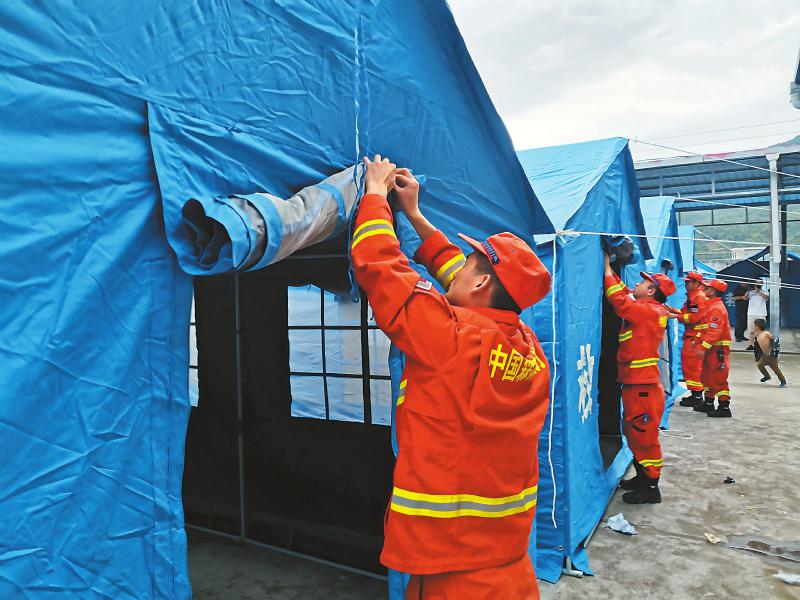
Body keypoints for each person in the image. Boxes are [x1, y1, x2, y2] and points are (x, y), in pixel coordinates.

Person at [351, 155, 551, 598]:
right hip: (506, 562)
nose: (455, 267)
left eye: (466, 264)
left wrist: (374, 194)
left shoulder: (451, 336)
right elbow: (471, 287)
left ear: (479, 285)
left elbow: (379, 264)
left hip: (452, 570)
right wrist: (416, 215)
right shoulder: (529, 349)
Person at [603, 253, 676, 504]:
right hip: (638, 383)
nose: (637, 284)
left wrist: (605, 270)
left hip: (642, 385)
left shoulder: (646, 311)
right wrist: (611, 273)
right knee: (633, 431)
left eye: (643, 283)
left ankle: (651, 487)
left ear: (651, 291)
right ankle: (643, 477)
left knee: (643, 435)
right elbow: (627, 295)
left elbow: (621, 302)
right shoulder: (651, 308)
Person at [668, 272, 709, 407]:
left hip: (696, 337)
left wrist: (675, 316)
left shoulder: (698, 297)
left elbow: (695, 317)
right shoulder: (692, 297)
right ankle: (694, 394)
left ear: (696, 284)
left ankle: (697, 395)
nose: (686, 284)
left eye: (688, 282)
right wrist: (673, 311)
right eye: (685, 282)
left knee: (694, 366)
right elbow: (685, 312)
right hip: (691, 336)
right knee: (688, 365)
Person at [694, 279, 733, 417]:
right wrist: (698, 341)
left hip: (717, 350)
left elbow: (714, 332)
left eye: (708, 287)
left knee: (718, 378)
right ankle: (709, 402)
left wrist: (702, 347)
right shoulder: (710, 306)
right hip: (711, 349)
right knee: (707, 376)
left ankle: (724, 407)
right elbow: (704, 328)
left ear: (714, 291)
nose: (704, 288)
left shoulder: (716, 308)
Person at [753, 318, 787, 387]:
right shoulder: (758, 335)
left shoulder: (766, 333)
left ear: (757, 326)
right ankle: (767, 376)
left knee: (775, 369)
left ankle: (783, 381)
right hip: (764, 356)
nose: (754, 327)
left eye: (755, 326)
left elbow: (775, 340)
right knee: (760, 365)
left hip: (771, 355)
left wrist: (775, 351)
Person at [745, 283, 769, 350]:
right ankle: (751, 345)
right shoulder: (751, 292)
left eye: (759, 284)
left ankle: (761, 345)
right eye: (756, 284)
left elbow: (766, 297)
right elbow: (745, 298)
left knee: (761, 331)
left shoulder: (765, 292)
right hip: (751, 313)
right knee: (751, 330)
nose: (757, 286)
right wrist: (748, 292)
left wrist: (759, 291)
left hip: (761, 313)